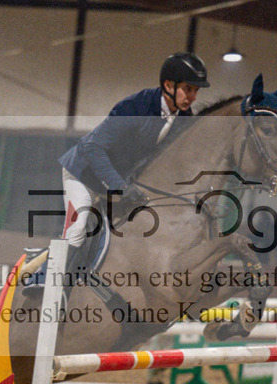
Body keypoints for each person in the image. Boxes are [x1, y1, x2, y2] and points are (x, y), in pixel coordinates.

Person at [25, 52, 210, 293]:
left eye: (196, 91)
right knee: (79, 225)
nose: (193, 97)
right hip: (84, 174)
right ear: (168, 85)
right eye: (188, 89)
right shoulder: (135, 107)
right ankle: (43, 279)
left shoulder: (184, 118)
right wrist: (120, 188)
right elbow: (93, 147)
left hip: (119, 182)